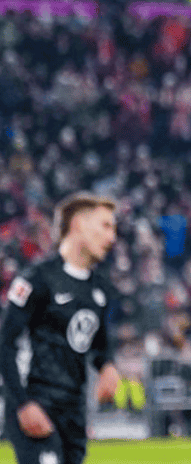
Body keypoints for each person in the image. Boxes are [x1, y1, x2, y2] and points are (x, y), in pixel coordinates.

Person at [1, 192, 120, 464]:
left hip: (73, 412)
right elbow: (5, 345)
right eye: (105, 226)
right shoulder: (37, 279)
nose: (112, 237)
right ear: (78, 224)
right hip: (36, 403)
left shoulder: (100, 289)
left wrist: (107, 366)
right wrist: (22, 403)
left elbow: (99, 344)